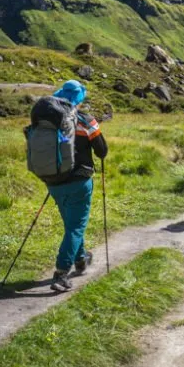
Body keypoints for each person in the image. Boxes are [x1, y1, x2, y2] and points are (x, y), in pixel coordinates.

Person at [47, 80, 108, 292]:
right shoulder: (85, 120)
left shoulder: (48, 120)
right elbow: (102, 152)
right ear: (79, 98)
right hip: (79, 181)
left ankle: (81, 259)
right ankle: (61, 273)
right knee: (75, 226)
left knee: (71, 224)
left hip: (53, 181)